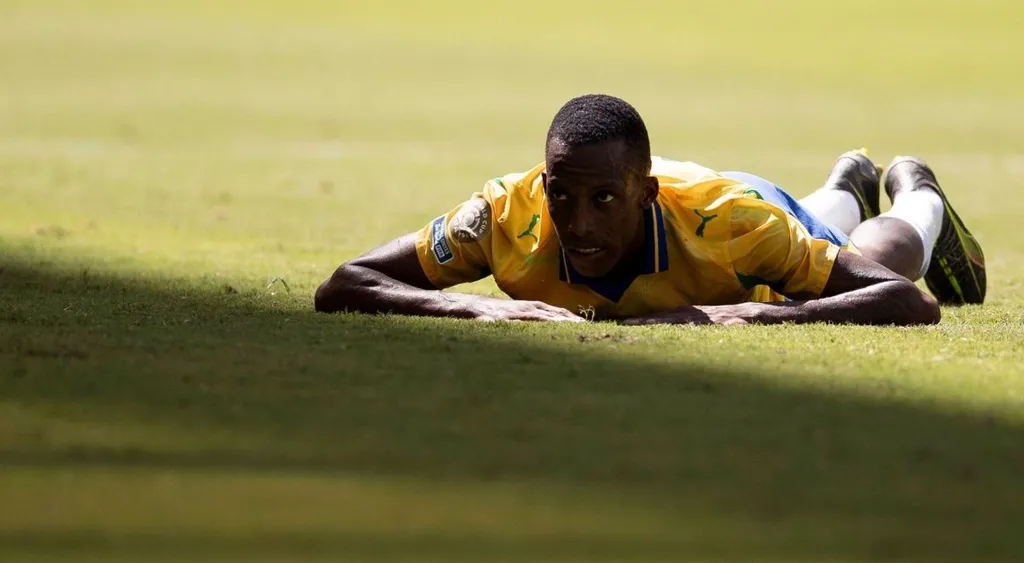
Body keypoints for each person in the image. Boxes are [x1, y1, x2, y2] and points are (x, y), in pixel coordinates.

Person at [315, 94, 985, 325]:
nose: (578, 223)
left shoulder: (731, 225)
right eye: (563, 194)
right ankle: (848, 178)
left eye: (604, 200)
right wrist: (476, 306)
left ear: (643, 195)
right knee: (823, 229)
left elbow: (907, 302)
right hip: (739, 221)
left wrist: (749, 312)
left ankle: (917, 190)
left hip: (746, 203)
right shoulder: (500, 216)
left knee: (869, 255)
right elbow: (344, 283)